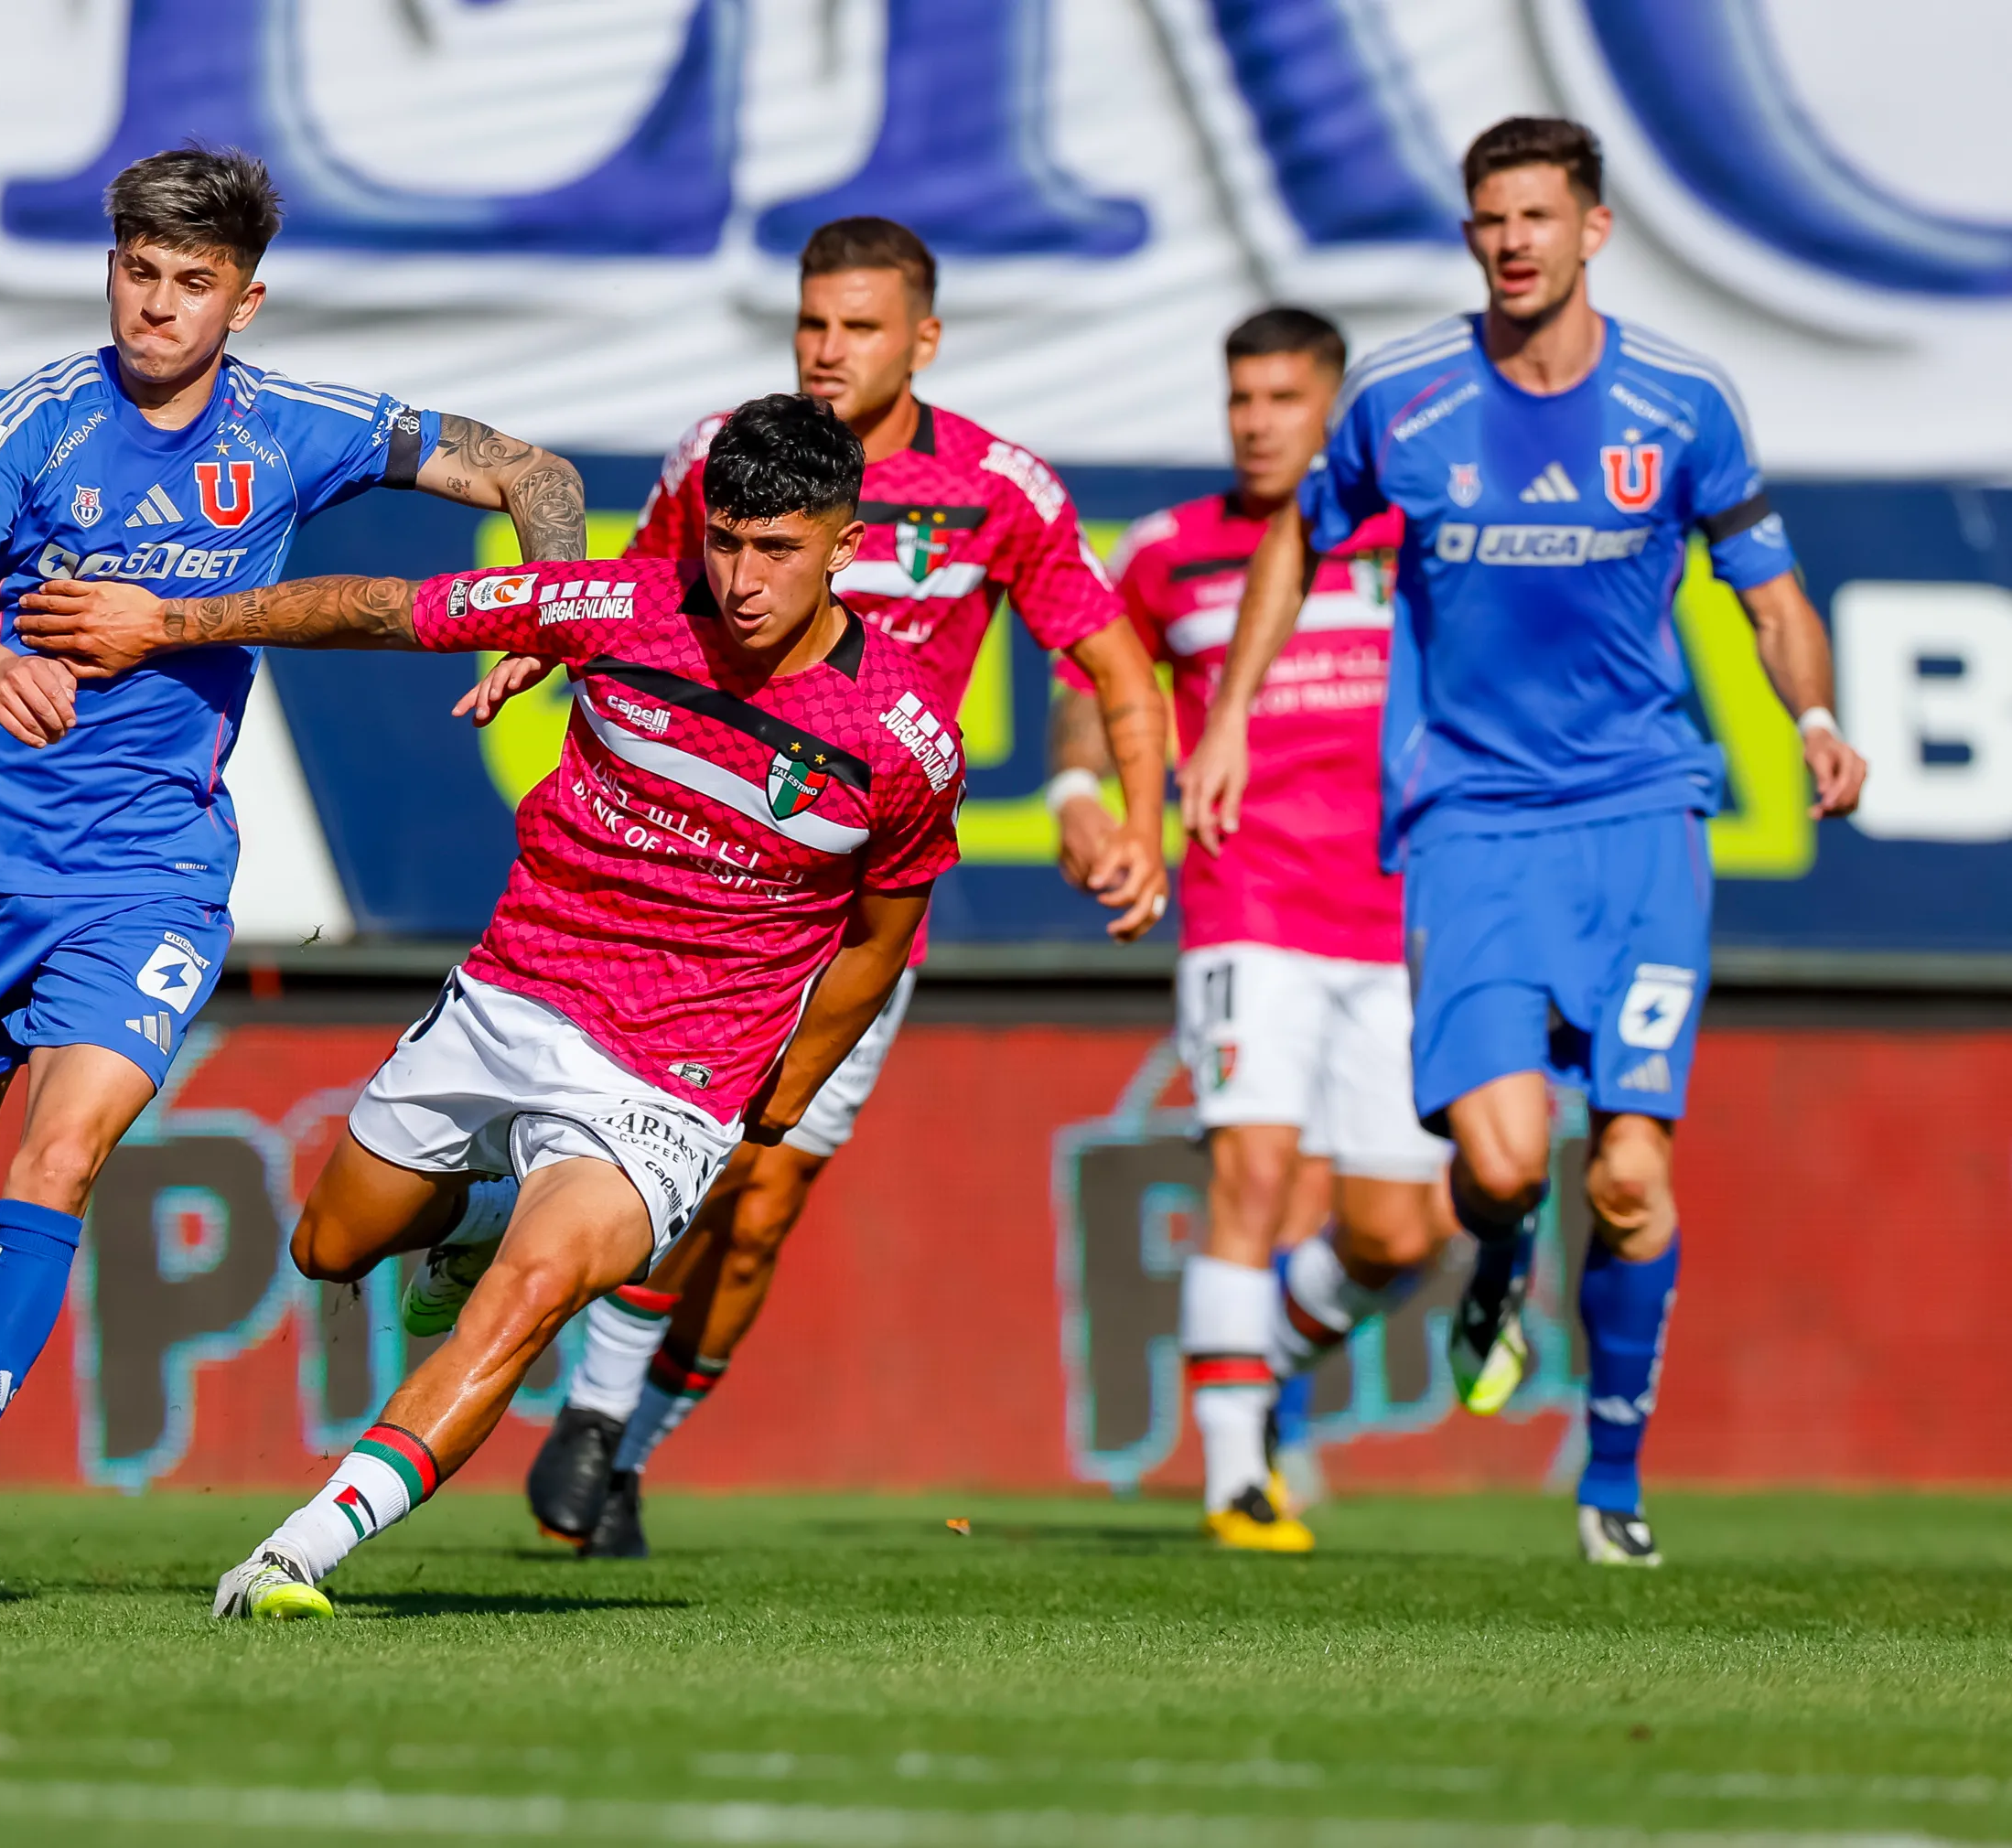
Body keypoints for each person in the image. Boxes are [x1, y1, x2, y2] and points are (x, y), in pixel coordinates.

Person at [16, 392, 965, 1618]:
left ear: (844, 546)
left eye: (777, 550)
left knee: (530, 1297)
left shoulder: (900, 739)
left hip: (676, 1075)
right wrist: (172, 622)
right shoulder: (618, 606)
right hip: (514, 994)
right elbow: (380, 611)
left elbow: (879, 936)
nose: (740, 578)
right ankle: (471, 1221)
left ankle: (299, 1550)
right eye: (723, 540)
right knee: (331, 1246)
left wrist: (779, 1094)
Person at [0, 145, 587, 1607]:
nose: (155, 307)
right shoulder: (32, 422)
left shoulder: (296, 425)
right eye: (136, 270)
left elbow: (528, 471)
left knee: (59, 1161)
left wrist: (543, 602)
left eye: (190, 283)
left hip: (153, 872)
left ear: (244, 299)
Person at [1181, 118, 1867, 1567]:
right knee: (1493, 1170)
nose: (1511, 243)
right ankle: (1498, 1257)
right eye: (1489, 220)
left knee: (1624, 1174)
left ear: (1592, 230)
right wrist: (1231, 711)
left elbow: (1767, 592)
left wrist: (1809, 717)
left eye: (1537, 217)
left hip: (1638, 821)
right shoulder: (1407, 398)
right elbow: (1300, 536)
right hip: (1472, 829)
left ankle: (1609, 1484)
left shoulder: (1680, 402)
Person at [468, 216, 1171, 1557]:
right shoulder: (727, 458)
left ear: (924, 337)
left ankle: (619, 1443)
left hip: (855, 906)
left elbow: (1109, 658)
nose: (828, 349)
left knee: (762, 1198)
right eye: (811, 322)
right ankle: (590, 1409)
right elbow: (630, 597)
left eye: (858, 327)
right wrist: (535, 643)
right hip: (709, 883)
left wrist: (1136, 819)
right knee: (694, 1156)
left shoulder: (1001, 489)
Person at [1047, 306, 1450, 1552]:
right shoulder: (1167, 551)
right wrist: (1083, 799)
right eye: (1241, 400)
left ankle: (1252, 1379)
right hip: (1246, 902)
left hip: (1395, 913)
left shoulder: (1409, 537)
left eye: (1282, 400)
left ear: (1331, 409)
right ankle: (1233, 1482)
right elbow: (1090, 687)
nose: (1257, 423)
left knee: (1397, 1233)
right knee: (1252, 1174)